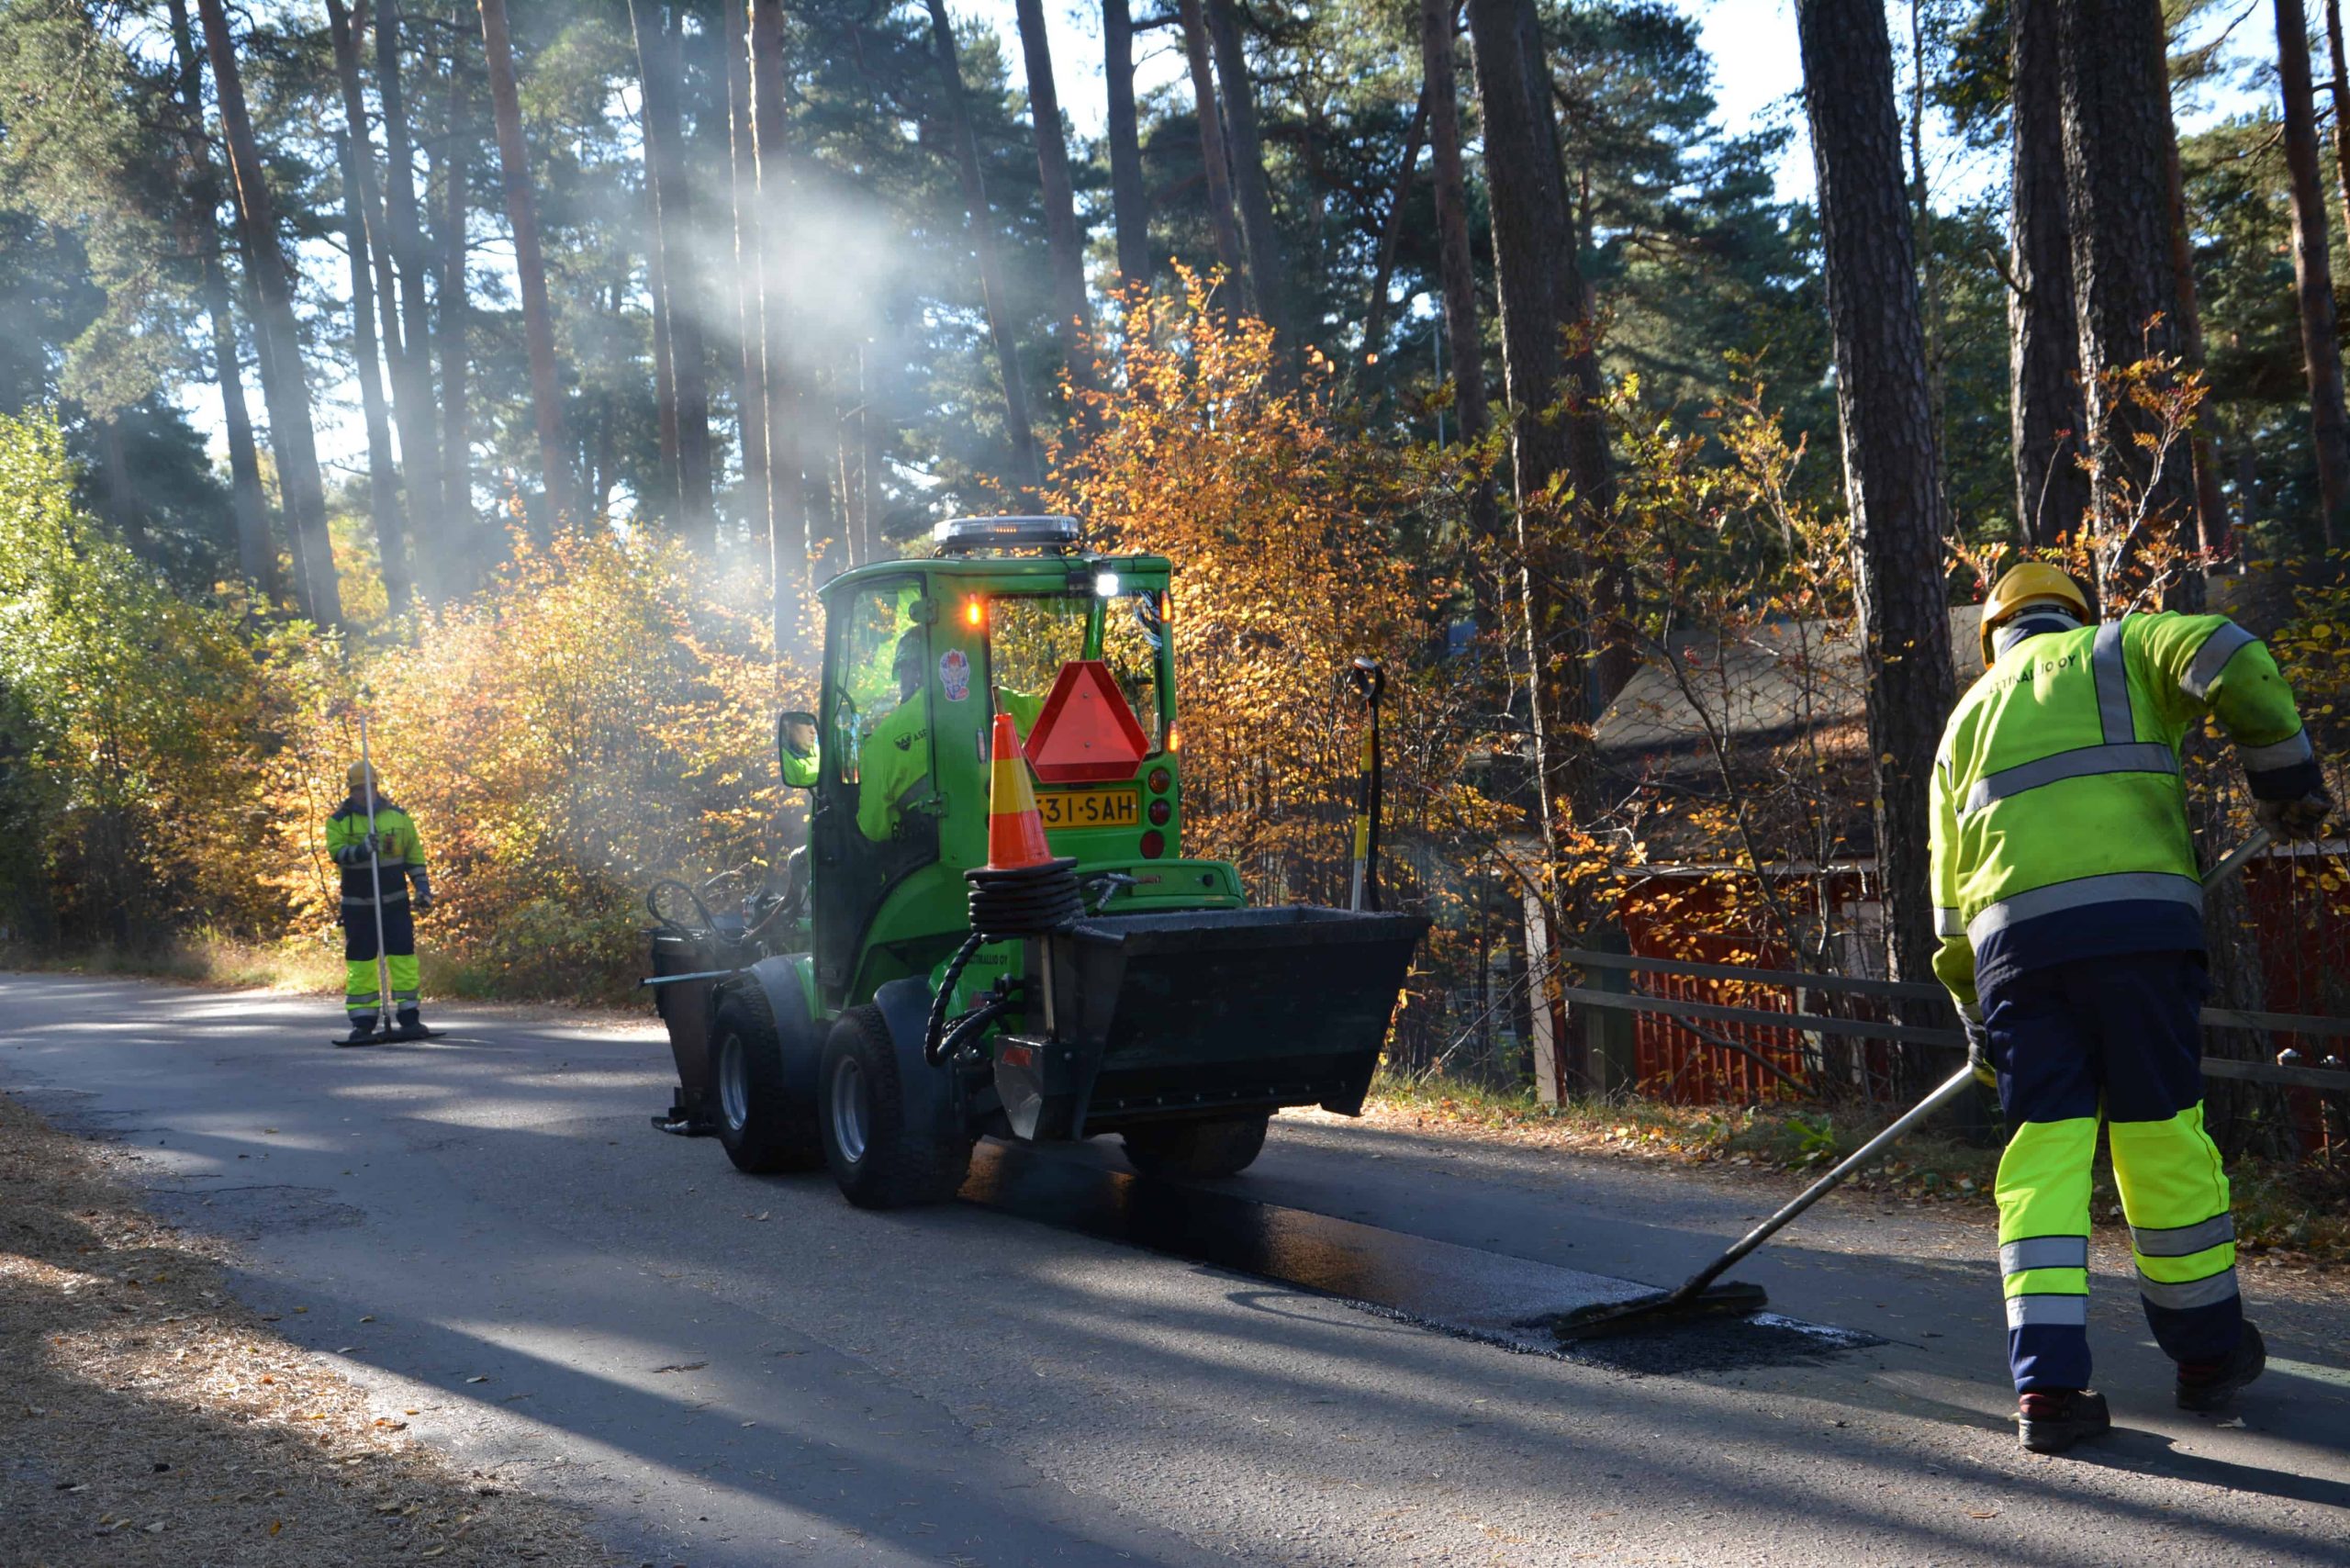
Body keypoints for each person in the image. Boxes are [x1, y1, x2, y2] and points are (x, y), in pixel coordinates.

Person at [1930, 563, 2332, 1454]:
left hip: (2015, 960)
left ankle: (2047, 1391)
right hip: (2136, 934)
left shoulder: (1962, 723)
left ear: (1994, 631)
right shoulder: (2122, 647)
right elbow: (2234, 654)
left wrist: (1975, 1013)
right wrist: (2283, 777)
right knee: (2157, 1132)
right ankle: (2206, 1357)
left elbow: (1948, 909)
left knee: (2045, 1150)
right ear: (2075, 613)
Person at [856, 630, 1045, 842]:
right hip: (1026, 840)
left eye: (902, 674)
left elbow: (874, 828)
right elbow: (1060, 736)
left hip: (933, 860)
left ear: (913, 671)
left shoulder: (882, 740)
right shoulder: (1009, 701)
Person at [326, 762, 435, 1042]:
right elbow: (337, 853)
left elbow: (414, 855)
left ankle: (410, 1018)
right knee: (361, 962)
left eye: (369, 788)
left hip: (395, 903)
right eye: (358, 789)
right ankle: (363, 1022)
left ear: (376, 788)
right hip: (358, 906)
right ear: (351, 790)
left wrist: (422, 888)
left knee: (403, 958)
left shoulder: (398, 818)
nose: (364, 794)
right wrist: (362, 850)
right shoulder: (338, 821)